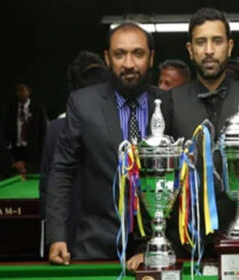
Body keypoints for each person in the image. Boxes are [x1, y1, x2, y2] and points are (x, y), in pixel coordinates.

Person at [125, 8, 239, 271]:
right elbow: (152, 176)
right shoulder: (171, 101)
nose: (208, 50)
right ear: (190, 49)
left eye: (216, 41)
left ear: (229, 47)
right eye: (200, 42)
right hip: (181, 244)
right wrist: (146, 243)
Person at [46, 22, 171, 265]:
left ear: (151, 57)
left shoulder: (169, 104)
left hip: (158, 243)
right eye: (119, 54)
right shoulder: (82, 104)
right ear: (107, 58)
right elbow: (62, 170)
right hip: (96, 243)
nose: (129, 64)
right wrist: (57, 236)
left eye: (138, 53)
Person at [39, 51, 109, 251]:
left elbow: (47, 187)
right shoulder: (124, 119)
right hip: (115, 236)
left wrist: (53, 237)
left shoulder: (55, 128)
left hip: (69, 234)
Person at [5, 79, 47, 174]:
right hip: (17, 150)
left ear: (29, 91)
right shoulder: (12, 109)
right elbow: (8, 129)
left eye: (22, 90)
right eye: (17, 90)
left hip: (33, 151)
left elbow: (43, 131)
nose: (19, 93)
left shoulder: (38, 108)